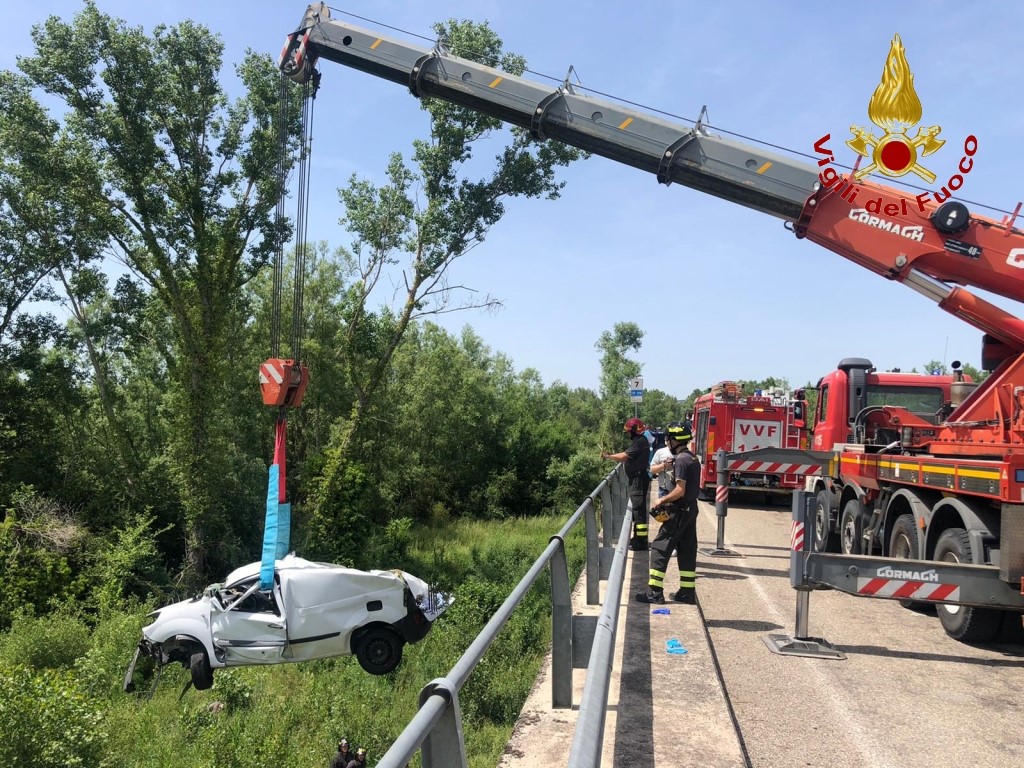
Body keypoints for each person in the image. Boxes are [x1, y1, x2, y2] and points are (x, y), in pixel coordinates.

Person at [635, 423, 701, 605]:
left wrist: (662, 501)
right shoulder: (692, 458)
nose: (666, 442)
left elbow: (680, 489)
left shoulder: (680, 460)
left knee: (659, 547)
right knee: (687, 550)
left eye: (668, 439)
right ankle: (687, 592)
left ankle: (654, 592)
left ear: (674, 440)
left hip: (678, 511)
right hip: (691, 510)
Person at [601, 417, 651, 550]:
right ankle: (638, 538)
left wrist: (608, 456)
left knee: (638, 511)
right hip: (637, 478)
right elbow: (624, 454)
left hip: (638, 480)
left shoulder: (639, 442)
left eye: (629, 432)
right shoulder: (640, 441)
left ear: (634, 431)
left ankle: (641, 542)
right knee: (637, 509)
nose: (628, 434)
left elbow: (623, 457)